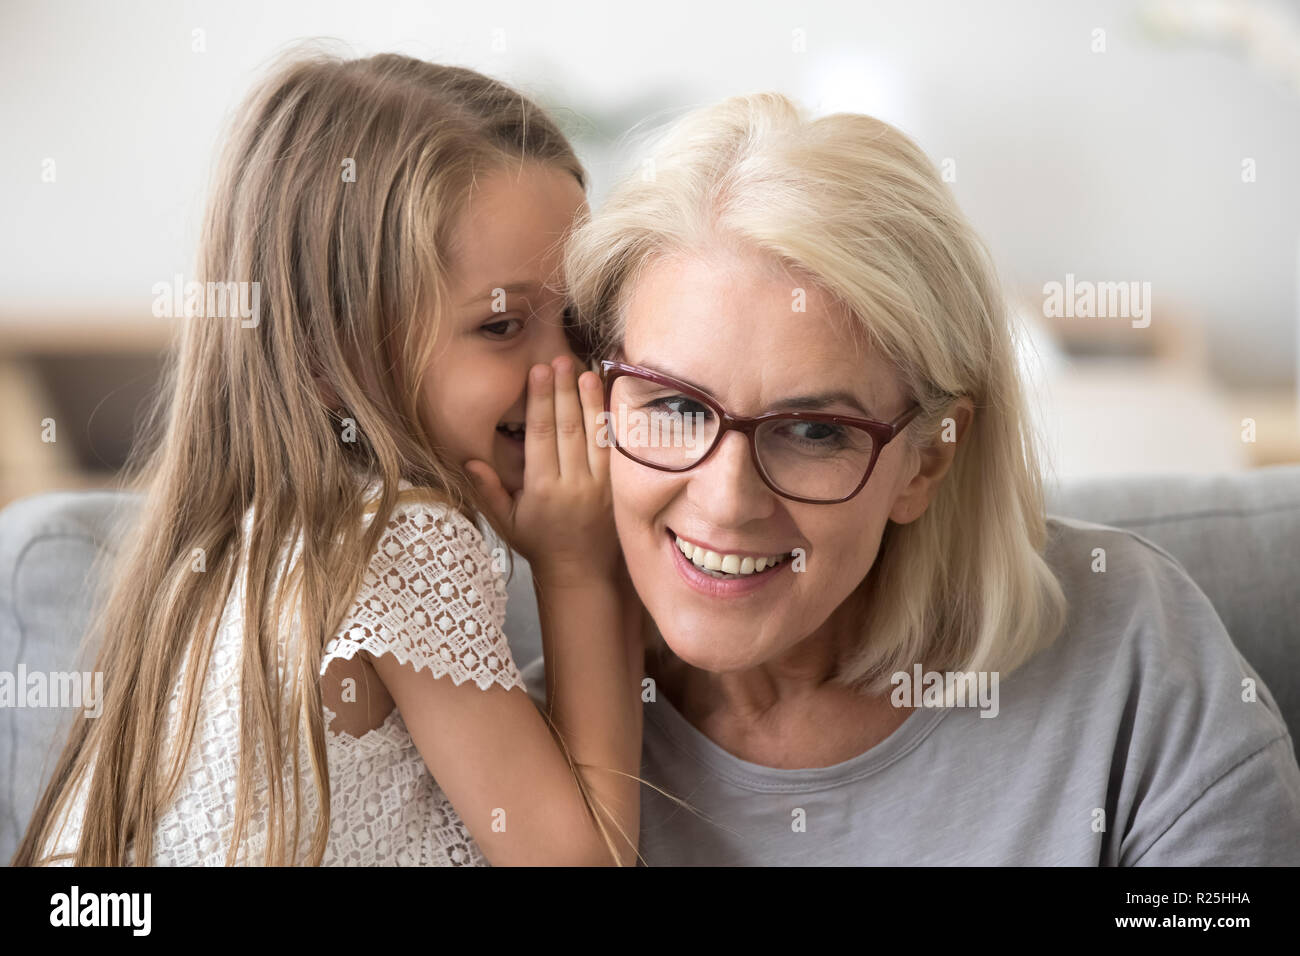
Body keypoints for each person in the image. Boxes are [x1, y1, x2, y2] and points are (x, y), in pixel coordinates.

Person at [559, 92, 1300, 864]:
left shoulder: (1133, 654)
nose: (727, 499)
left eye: (815, 431)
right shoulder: (520, 739)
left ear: (929, 458)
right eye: (676, 406)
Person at [13, 51, 641, 867]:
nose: (570, 372)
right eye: (501, 326)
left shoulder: (237, 546)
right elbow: (582, 862)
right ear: (328, 354)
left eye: (581, 320)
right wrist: (579, 570)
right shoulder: (400, 538)